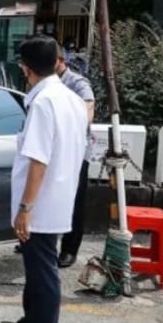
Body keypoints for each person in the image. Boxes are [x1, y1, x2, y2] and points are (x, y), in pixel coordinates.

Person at [1, 36, 87, 323]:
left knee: (43, 272)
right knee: (36, 268)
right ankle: (32, 322)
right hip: (57, 198)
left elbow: (38, 160)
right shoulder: (71, 98)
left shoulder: (43, 103)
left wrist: (25, 208)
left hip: (40, 203)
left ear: (26, 69)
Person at [57, 44, 95, 268]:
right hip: (53, 151)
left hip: (76, 152)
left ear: (60, 60)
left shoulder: (77, 82)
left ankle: (70, 249)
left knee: (75, 200)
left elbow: (89, 109)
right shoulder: (43, 81)